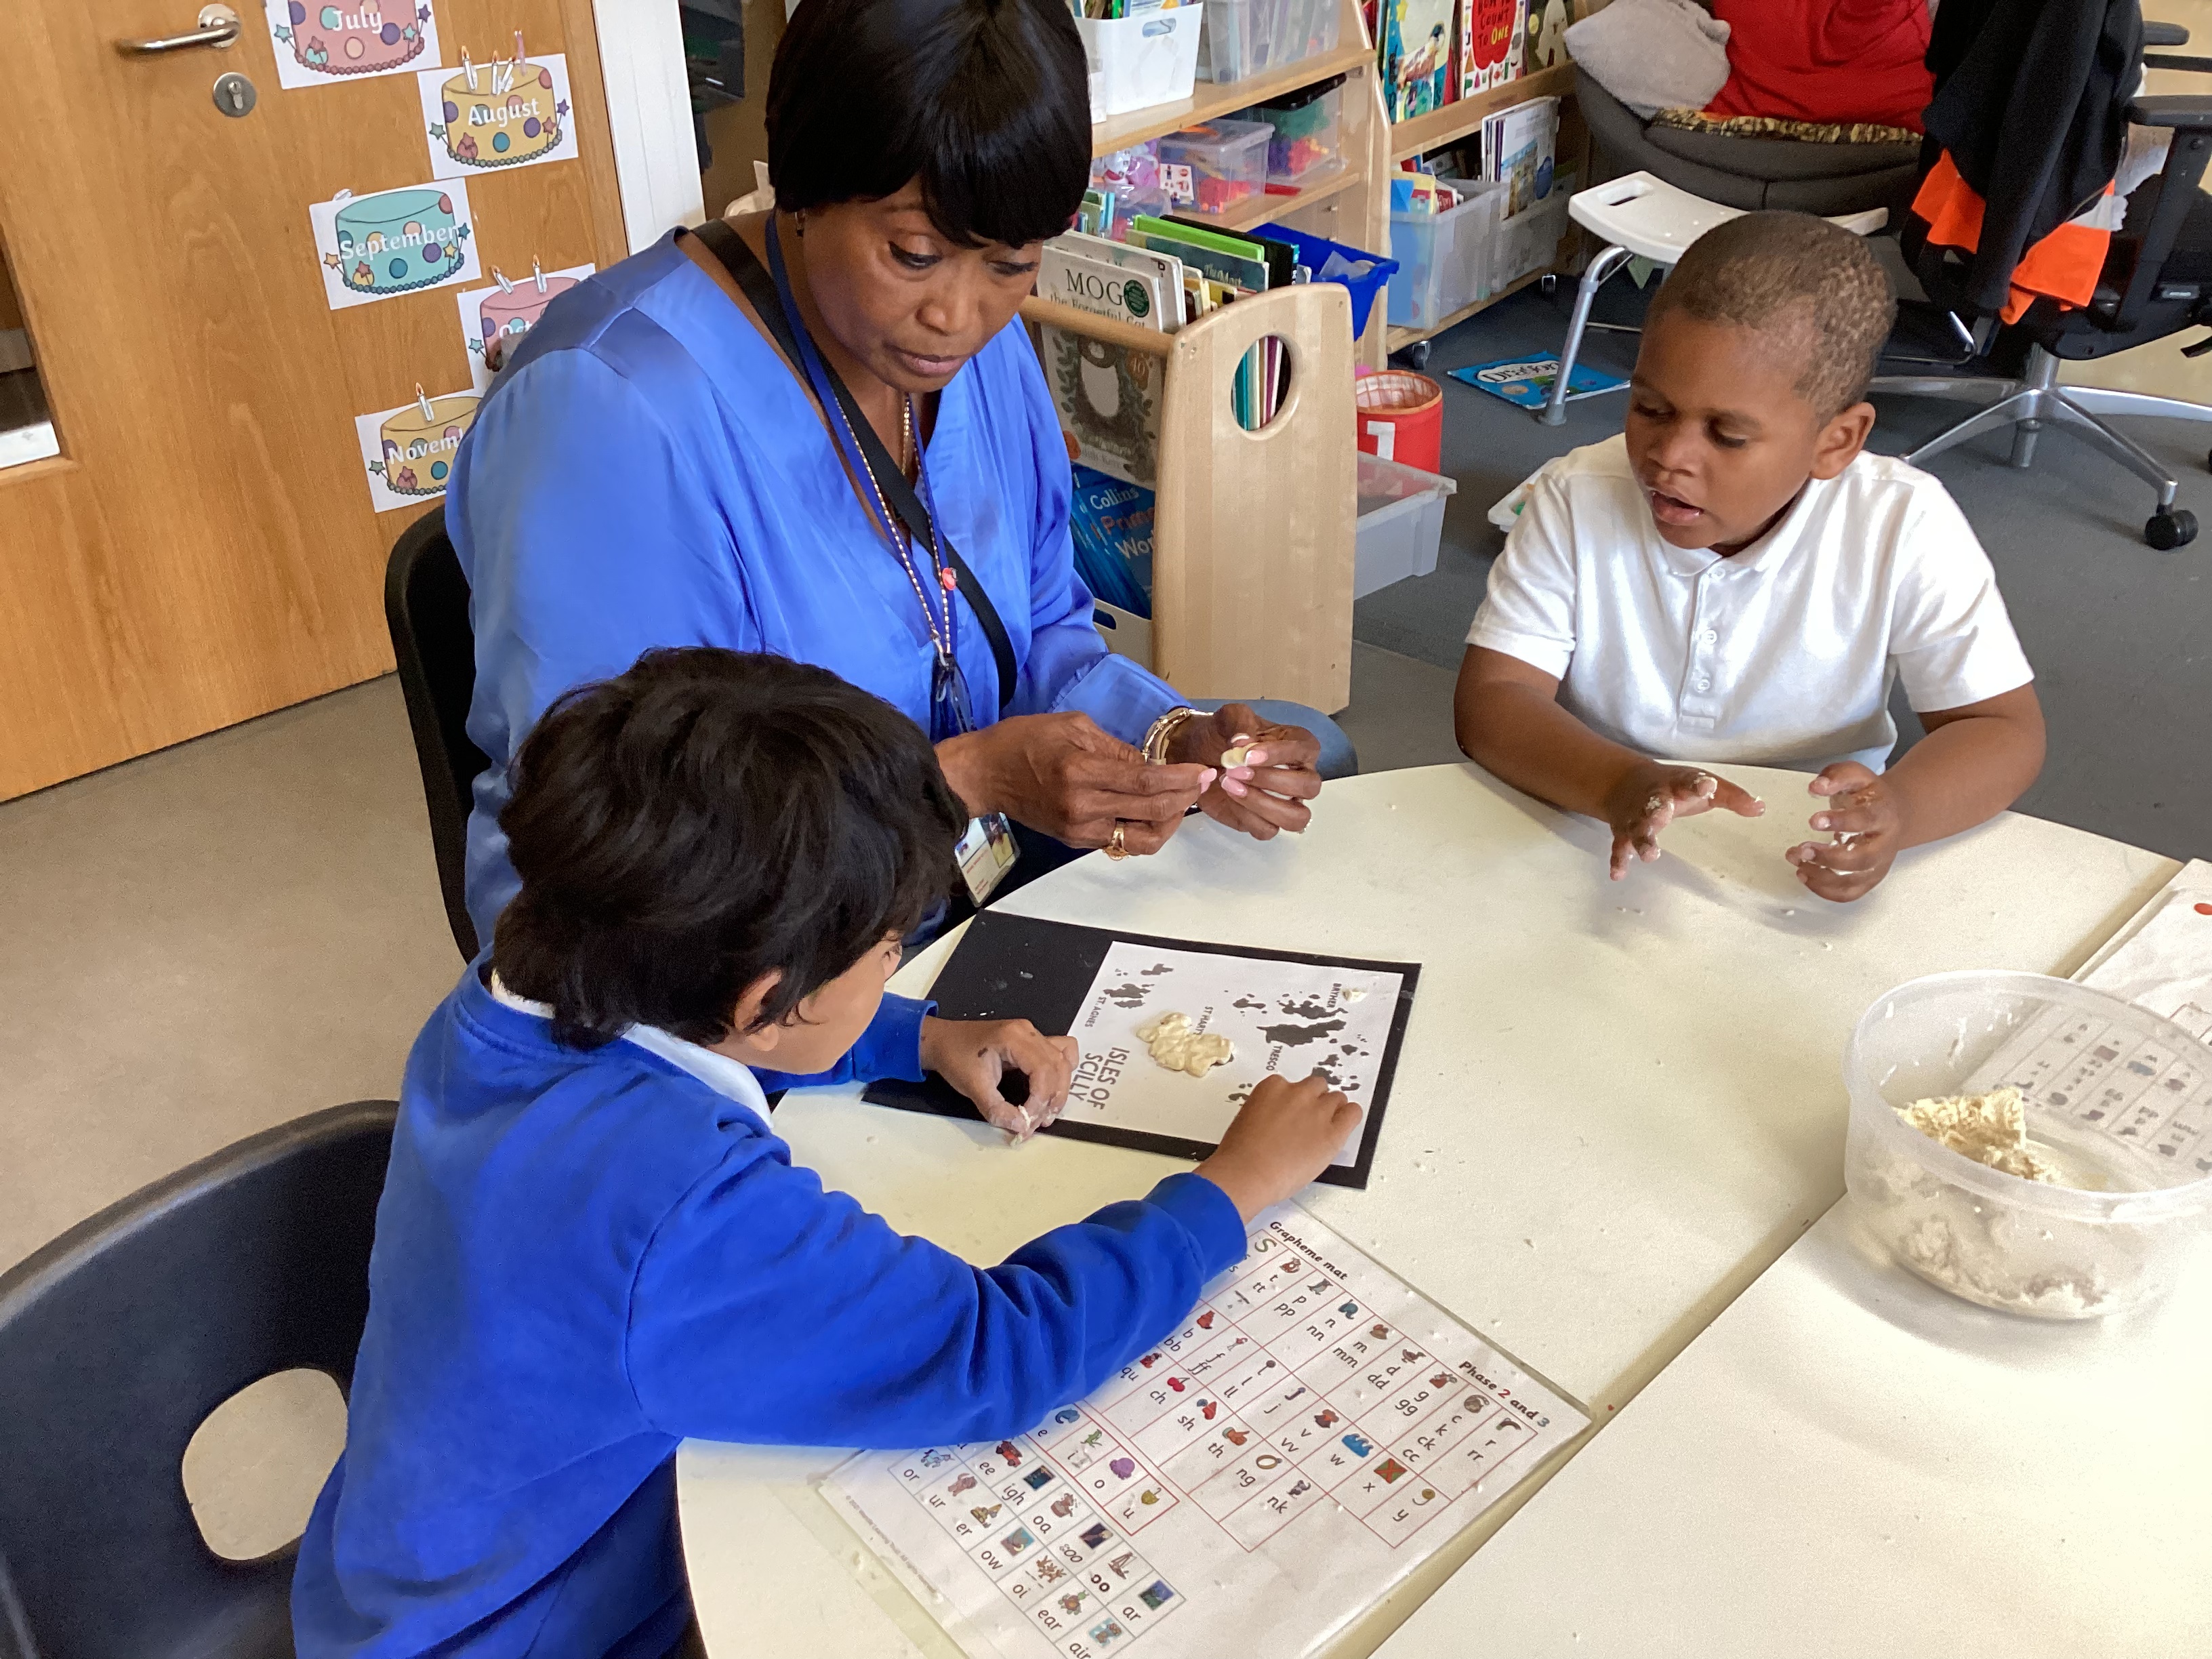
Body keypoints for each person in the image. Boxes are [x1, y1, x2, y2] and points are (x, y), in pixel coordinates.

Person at [291, 648, 1359, 1656]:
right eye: (890, 951)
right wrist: (1230, 1189)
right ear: (769, 1001)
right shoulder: (680, 1206)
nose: (897, 963)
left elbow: (707, 1025)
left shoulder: (519, 983)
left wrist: (918, 1036)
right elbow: (995, 1352)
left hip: (409, 1572)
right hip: (545, 1627)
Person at [446, 0, 1353, 1055]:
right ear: (802, 188)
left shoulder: (975, 354)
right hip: (745, 984)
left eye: (1011, 263)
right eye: (914, 253)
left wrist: (1167, 743)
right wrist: (961, 782)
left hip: (952, 890)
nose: (958, 316)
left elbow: (1044, 636)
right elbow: (625, 855)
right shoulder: (609, 414)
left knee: (1311, 763)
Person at [1454, 211, 2045, 903]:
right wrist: (1620, 783)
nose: (1670, 457)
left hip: (1810, 842)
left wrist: (1902, 810)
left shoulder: (1904, 522)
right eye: (1650, 409)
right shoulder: (1576, 494)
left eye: (1728, 436)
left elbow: (2001, 729)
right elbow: (1494, 700)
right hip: (1593, 809)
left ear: (1837, 442)